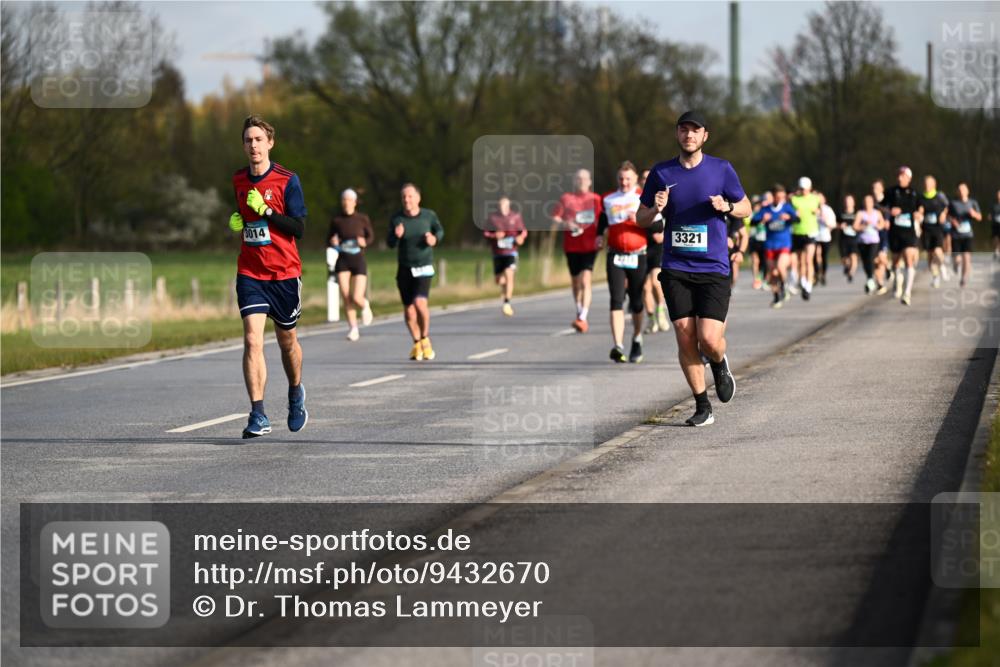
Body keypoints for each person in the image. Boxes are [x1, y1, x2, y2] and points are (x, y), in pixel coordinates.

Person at [636, 110, 751, 427]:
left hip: (713, 266)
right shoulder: (661, 172)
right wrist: (655, 208)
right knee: (685, 337)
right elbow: (640, 219)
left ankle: (719, 361)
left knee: (709, 340)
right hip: (676, 265)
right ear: (677, 133)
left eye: (695, 130)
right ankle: (702, 405)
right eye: (683, 129)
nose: (689, 135)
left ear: (705, 136)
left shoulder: (721, 169)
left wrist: (728, 206)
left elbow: (746, 207)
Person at [228, 115, 308, 438]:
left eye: (259, 139)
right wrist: (238, 220)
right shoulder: (238, 180)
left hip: (284, 273)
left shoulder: (288, 180)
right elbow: (246, 217)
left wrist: (267, 211)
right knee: (252, 339)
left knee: (287, 342)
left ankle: (295, 391)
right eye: (248, 140)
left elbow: (298, 228)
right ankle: (258, 413)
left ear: (270, 143)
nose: (254, 145)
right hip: (251, 272)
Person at [598, 161, 650, 363]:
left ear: (635, 179)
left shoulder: (643, 197)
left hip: (638, 254)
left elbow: (656, 226)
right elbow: (603, 220)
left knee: (636, 301)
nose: (624, 182)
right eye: (621, 178)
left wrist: (638, 220)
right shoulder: (608, 199)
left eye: (628, 178)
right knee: (616, 299)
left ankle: (637, 338)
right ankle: (618, 345)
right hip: (615, 255)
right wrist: (599, 236)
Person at [388, 183, 444, 360]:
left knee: (420, 303)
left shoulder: (429, 216)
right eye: (404, 197)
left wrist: (434, 239)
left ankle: (425, 338)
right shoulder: (397, 218)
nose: (407, 200)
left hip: (424, 266)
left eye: (410, 196)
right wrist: (396, 235)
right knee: (409, 310)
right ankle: (417, 342)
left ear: (418, 198)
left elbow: (439, 230)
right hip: (405, 268)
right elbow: (390, 243)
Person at [552, 169, 603, 332]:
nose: (581, 181)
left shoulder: (596, 199)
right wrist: (565, 224)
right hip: (572, 246)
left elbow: (603, 220)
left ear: (590, 182)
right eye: (578, 178)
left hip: (589, 246)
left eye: (584, 178)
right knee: (575, 282)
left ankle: (583, 317)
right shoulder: (566, 198)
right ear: (574, 181)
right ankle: (579, 309)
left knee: (585, 280)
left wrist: (601, 236)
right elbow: (555, 218)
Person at [327, 188, 374, 341]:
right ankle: (353, 328)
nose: (346, 203)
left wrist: (364, 242)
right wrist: (333, 242)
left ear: (354, 202)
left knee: (357, 297)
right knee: (346, 296)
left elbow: (371, 237)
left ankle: (365, 305)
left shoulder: (362, 219)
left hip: (358, 260)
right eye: (344, 200)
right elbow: (329, 239)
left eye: (349, 200)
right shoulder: (337, 220)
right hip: (343, 261)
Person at [754, 184, 797, 309]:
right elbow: (752, 222)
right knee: (772, 273)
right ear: (773, 197)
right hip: (770, 245)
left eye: (782, 197)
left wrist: (789, 217)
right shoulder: (766, 209)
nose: (780, 199)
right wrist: (762, 219)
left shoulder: (787, 207)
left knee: (780, 267)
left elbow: (797, 219)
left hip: (784, 244)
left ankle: (784, 286)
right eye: (778, 197)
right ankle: (776, 296)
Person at [484, 196, 528, 316]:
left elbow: (523, 232)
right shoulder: (492, 218)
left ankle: (507, 303)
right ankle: (504, 289)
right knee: (499, 280)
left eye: (505, 205)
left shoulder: (515, 217)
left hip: (511, 251)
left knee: (509, 275)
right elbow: (485, 232)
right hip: (498, 252)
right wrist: (494, 236)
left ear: (509, 206)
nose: (502, 207)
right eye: (500, 205)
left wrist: (520, 238)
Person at [639, 169, 670, 333]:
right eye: (643, 178)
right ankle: (651, 319)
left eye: (648, 178)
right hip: (640, 248)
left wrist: (665, 235)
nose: (646, 181)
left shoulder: (661, 198)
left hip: (657, 248)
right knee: (645, 287)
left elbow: (673, 219)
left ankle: (660, 311)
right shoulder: (635, 200)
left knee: (655, 282)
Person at [885, 166, 921, 305]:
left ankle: (907, 292)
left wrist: (919, 214)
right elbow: (880, 206)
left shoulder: (914, 193)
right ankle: (897, 281)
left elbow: (920, 208)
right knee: (895, 261)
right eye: (898, 175)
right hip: (895, 232)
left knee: (908, 259)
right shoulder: (891, 191)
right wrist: (889, 211)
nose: (899, 178)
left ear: (909, 178)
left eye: (903, 176)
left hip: (909, 231)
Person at [790, 176, 821, 300]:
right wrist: (794, 214)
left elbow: (819, 210)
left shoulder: (815, 198)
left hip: (811, 232)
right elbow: (790, 212)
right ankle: (803, 282)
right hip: (798, 232)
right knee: (800, 261)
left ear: (810, 188)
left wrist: (818, 212)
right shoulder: (794, 199)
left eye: (806, 188)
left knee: (809, 260)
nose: (804, 191)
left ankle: (808, 286)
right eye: (802, 188)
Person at [918, 175, 949, 289]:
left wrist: (943, 214)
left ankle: (942, 266)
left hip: (937, 228)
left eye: (929, 183)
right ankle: (935, 277)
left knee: (937, 250)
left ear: (934, 184)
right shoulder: (921, 197)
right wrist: (919, 215)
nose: (927, 185)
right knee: (930, 255)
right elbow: (919, 211)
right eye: (925, 183)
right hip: (926, 229)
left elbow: (947, 207)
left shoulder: (940, 196)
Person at [949, 182, 981, 287]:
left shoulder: (973, 203)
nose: (962, 192)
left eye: (963, 190)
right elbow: (947, 216)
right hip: (956, 235)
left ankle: (963, 278)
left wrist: (974, 214)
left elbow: (980, 217)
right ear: (957, 192)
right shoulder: (953, 203)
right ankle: (955, 264)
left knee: (967, 258)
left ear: (967, 191)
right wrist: (952, 221)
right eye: (960, 190)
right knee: (957, 259)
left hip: (968, 235)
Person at [855, 194, 886, 294]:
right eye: (865, 202)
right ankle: (870, 278)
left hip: (874, 241)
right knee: (865, 262)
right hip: (862, 241)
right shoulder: (860, 213)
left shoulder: (877, 213)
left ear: (872, 203)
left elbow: (882, 224)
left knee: (870, 259)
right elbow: (855, 226)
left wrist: (877, 225)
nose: (867, 204)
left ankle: (870, 279)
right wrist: (864, 225)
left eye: (869, 202)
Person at [872, 179, 892, 293]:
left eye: (877, 187)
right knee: (875, 261)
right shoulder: (870, 203)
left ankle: (888, 268)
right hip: (872, 235)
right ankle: (880, 284)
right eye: (873, 188)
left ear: (882, 189)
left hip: (884, 234)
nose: (875, 190)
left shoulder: (887, 201)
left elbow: (891, 215)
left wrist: (887, 221)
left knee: (881, 256)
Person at [814, 192, 837, 286]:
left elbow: (833, 224)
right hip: (815, 236)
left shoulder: (828, 210)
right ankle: (816, 274)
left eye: (821, 198)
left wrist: (826, 222)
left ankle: (823, 274)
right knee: (815, 255)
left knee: (824, 256)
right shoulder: (813, 209)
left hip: (825, 237)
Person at [748, 193, 769, 290]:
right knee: (755, 261)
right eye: (756, 205)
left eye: (759, 205)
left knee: (764, 262)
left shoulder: (765, 214)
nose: (757, 207)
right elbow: (750, 224)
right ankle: (756, 280)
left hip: (764, 240)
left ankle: (764, 279)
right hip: (753, 239)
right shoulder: (751, 215)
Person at [838, 194, 859, 283]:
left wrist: (857, 227)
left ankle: (851, 273)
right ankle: (847, 267)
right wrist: (840, 226)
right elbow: (834, 224)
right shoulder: (840, 213)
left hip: (854, 239)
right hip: (843, 239)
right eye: (846, 201)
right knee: (845, 259)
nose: (848, 203)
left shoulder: (857, 213)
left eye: (850, 201)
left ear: (853, 203)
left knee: (854, 257)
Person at [992, 189, 1000, 262]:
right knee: (996, 238)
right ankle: (996, 251)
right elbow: (990, 215)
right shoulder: (994, 205)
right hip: (995, 224)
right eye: (998, 194)